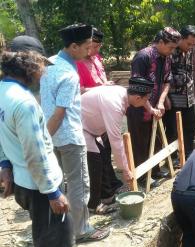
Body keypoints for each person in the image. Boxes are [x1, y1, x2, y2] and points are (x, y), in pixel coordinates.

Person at [40, 23, 109, 243]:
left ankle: (63, 228)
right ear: (73, 46)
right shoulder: (69, 74)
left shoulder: (49, 63)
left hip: (52, 135)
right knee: (79, 185)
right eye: (87, 47)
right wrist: (45, 141)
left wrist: (45, 138)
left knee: (60, 183)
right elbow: (60, 113)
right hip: (68, 136)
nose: (90, 51)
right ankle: (81, 230)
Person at [0, 49, 74, 247]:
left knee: (43, 234)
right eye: (42, 67)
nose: (43, 73)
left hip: (23, 181)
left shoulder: (2, 92)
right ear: (30, 66)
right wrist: (52, 193)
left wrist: (5, 165)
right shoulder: (25, 103)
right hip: (41, 186)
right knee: (56, 240)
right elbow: (35, 152)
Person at [81, 78, 154, 214]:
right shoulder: (114, 104)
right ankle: (93, 205)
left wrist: (151, 110)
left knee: (103, 158)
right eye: (146, 100)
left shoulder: (124, 92)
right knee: (95, 163)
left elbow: (145, 99)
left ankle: (107, 198)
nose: (146, 102)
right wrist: (125, 170)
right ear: (138, 98)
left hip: (91, 127)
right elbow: (116, 141)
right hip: (80, 127)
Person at [127, 27, 181, 180]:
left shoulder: (166, 57)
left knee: (155, 139)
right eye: (170, 47)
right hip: (139, 108)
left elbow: (166, 81)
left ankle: (155, 170)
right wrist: (150, 108)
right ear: (161, 42)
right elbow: (136, 90)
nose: (172, 51)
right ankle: (143, 177)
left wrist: (162, 102)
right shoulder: (143, 57)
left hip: (156, 107)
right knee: (140, 143)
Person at [164, 25, 195, 158]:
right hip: (174, 96)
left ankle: (188, 153)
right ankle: (172, 157)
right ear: (181, 39)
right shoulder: (170, 52)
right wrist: (166, 97)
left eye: (193, 44)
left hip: (188, 95)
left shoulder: (189, 51)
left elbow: (190, 70)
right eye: (189, 43)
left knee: (190, 125)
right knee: (173, 128)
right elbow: (165, 76)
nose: (191, 47)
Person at [76, 27, 112, 94]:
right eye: (95, 47)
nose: (98, 50)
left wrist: (106, 83)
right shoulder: (77, 63)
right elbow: (79, 91)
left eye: (99, 46)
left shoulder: (97, 57)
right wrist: (102, 88)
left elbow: (101, 78)